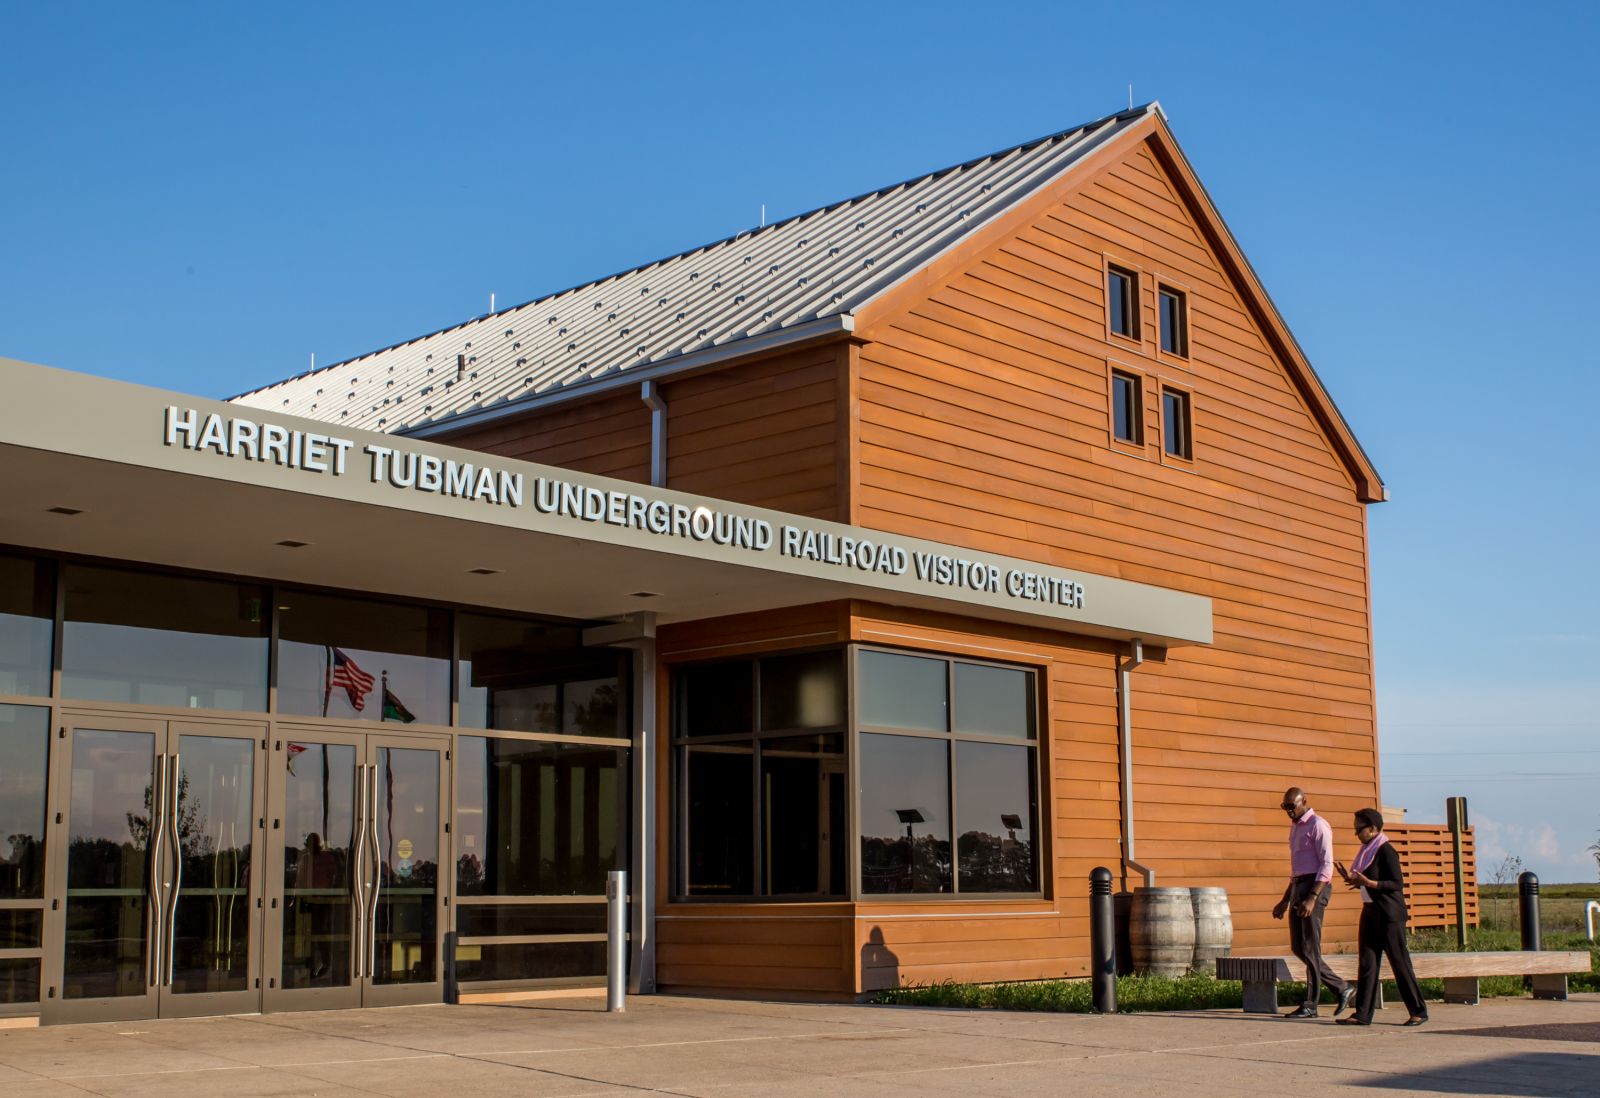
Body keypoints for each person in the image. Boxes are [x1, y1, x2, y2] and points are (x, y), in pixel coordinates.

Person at [1334, 808, 1428, 1027]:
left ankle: (1418, 1010)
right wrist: (1352, 880)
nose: (1356, 834)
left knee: (1399, 962)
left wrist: (1370, 884)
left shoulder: (1386, 850)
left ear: (1373, 829)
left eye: (1359, 829)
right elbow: (1364, 878)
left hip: (1389, 914)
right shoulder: (1366, 850)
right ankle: (1362, 1014)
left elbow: (1397, 883)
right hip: (1370, 911)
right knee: (1367, 963)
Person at [1273, 787, 1353, 1018]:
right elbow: (1297, 870)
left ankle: (1311, 1004)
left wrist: (1312, 897)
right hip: (1299, 886)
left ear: (1304, 801)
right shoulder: (1296, 827)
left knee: (1310, 947)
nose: (1289, 811)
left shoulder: (1318, 824)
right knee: (1299, 947)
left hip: (1314, 888)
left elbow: (1326, 864)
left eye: (1292, 806)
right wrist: (1285, 900)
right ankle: (1341, 987)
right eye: (1285, 807)